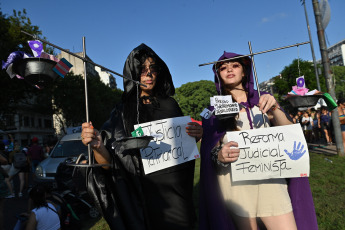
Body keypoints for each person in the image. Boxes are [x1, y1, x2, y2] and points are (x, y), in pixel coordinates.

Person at [81, 43, 202, 230]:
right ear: (132, 74)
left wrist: (196, 135)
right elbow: (109, 165)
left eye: (153, 68)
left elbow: (185, 145)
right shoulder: (121, 112)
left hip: (178, 193)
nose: (149, 74)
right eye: (142, 69)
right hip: (145, 197)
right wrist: (98, 146)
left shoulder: (170, 104)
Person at [199, 51, 318, 230]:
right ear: (218, 76)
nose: (229, 69)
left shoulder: (264, 99)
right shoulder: (214, 109)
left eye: (235, 65)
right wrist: (220, 155)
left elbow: (289, 132)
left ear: (245, 71)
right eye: (223, 67)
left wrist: (276, 107)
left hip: (270, 179)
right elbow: (210, 149)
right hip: (235, 183)